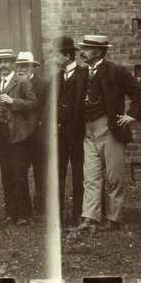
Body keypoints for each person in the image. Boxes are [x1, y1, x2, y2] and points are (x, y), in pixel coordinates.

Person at [76, 35, 141, 232]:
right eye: (83, 48)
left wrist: (131, 115)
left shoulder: (116, 71)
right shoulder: (82, 73)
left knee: (114, 176)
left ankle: (114, 219)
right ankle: (90, 218)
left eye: (87, 49)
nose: (82, 52)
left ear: (98, 51)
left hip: (109, 129)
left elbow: (139, 94)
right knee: (90, 176)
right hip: (87, 130)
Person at [0, 48, 37, 226]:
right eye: (0, 62)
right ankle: (11, 213)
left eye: (6, 61)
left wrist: (13, 102)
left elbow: (34, 104)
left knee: (19, 175)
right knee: (6, 175)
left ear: (12, 63)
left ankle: (24, 214)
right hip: (3, 137)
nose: (3, 65)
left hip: (18, 136)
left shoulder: (22, 82)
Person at [51, 36, 88, 226]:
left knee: (79, 175)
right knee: (59, 174)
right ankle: (58, 216)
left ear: (66, 55)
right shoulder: (57, 77)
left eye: (56, 56)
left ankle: (78, 214)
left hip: (78, 134)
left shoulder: (84, 74)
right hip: (59, 136)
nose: (54, 59)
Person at [14, 51, 49, 217]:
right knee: (20, 172)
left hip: (38, 136)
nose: (21, 69)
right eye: (19, 66)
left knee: (40, 172)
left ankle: (41, 207)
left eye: (25, 66)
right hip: (21, 136)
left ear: (33, 67)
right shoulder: (15, 84)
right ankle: (24, 209)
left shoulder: (43, 84)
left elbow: (44, 110)